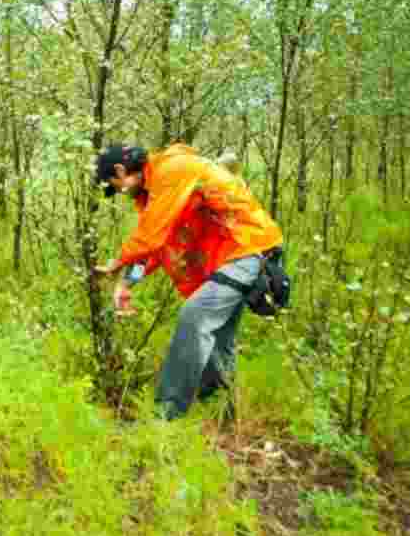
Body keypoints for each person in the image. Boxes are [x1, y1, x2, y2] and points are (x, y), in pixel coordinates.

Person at [95, 143, 284, 420]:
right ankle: (222, 413)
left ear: (122, 171)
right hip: (230, 259)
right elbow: (157, 249)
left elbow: (150, 236)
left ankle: (166, 414)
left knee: (194, 318)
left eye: (115, 185)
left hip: (249, 248)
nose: (120, 193)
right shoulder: (158, 195)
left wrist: (116, 262)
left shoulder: (171, 171)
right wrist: (127, 282)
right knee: (219, 338)